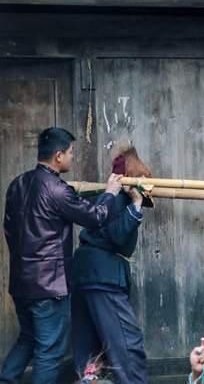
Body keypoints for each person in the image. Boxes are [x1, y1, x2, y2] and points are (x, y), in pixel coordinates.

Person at [1, 127, 122, 384]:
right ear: (58, 156)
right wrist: (110, 193)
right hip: (49, 286)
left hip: (21, 282)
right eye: (70, 152)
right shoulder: (57, 189)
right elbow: (95, 217)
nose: (72, 157)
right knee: (50, 351)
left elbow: (8, 229)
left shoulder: (18, 184)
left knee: (29, 338)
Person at [72, 143, 152, 384]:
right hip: (103, 276)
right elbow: (116, 236)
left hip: (88, 273)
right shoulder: (120, 199)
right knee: (127, 344)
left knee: (90, 350)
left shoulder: (106, 196)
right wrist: (137, 205)